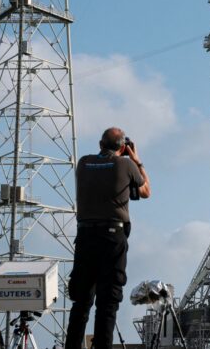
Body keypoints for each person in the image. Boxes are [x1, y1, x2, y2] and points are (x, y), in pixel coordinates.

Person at [66, 127, 151, 349]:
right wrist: (137, 160)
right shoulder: (126, 165)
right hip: (112, 237)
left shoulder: (84, 163)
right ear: (123, 148)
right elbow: (145, 191)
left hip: (85, 236)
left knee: (81, 300)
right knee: (108, 302)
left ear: (100, 144)